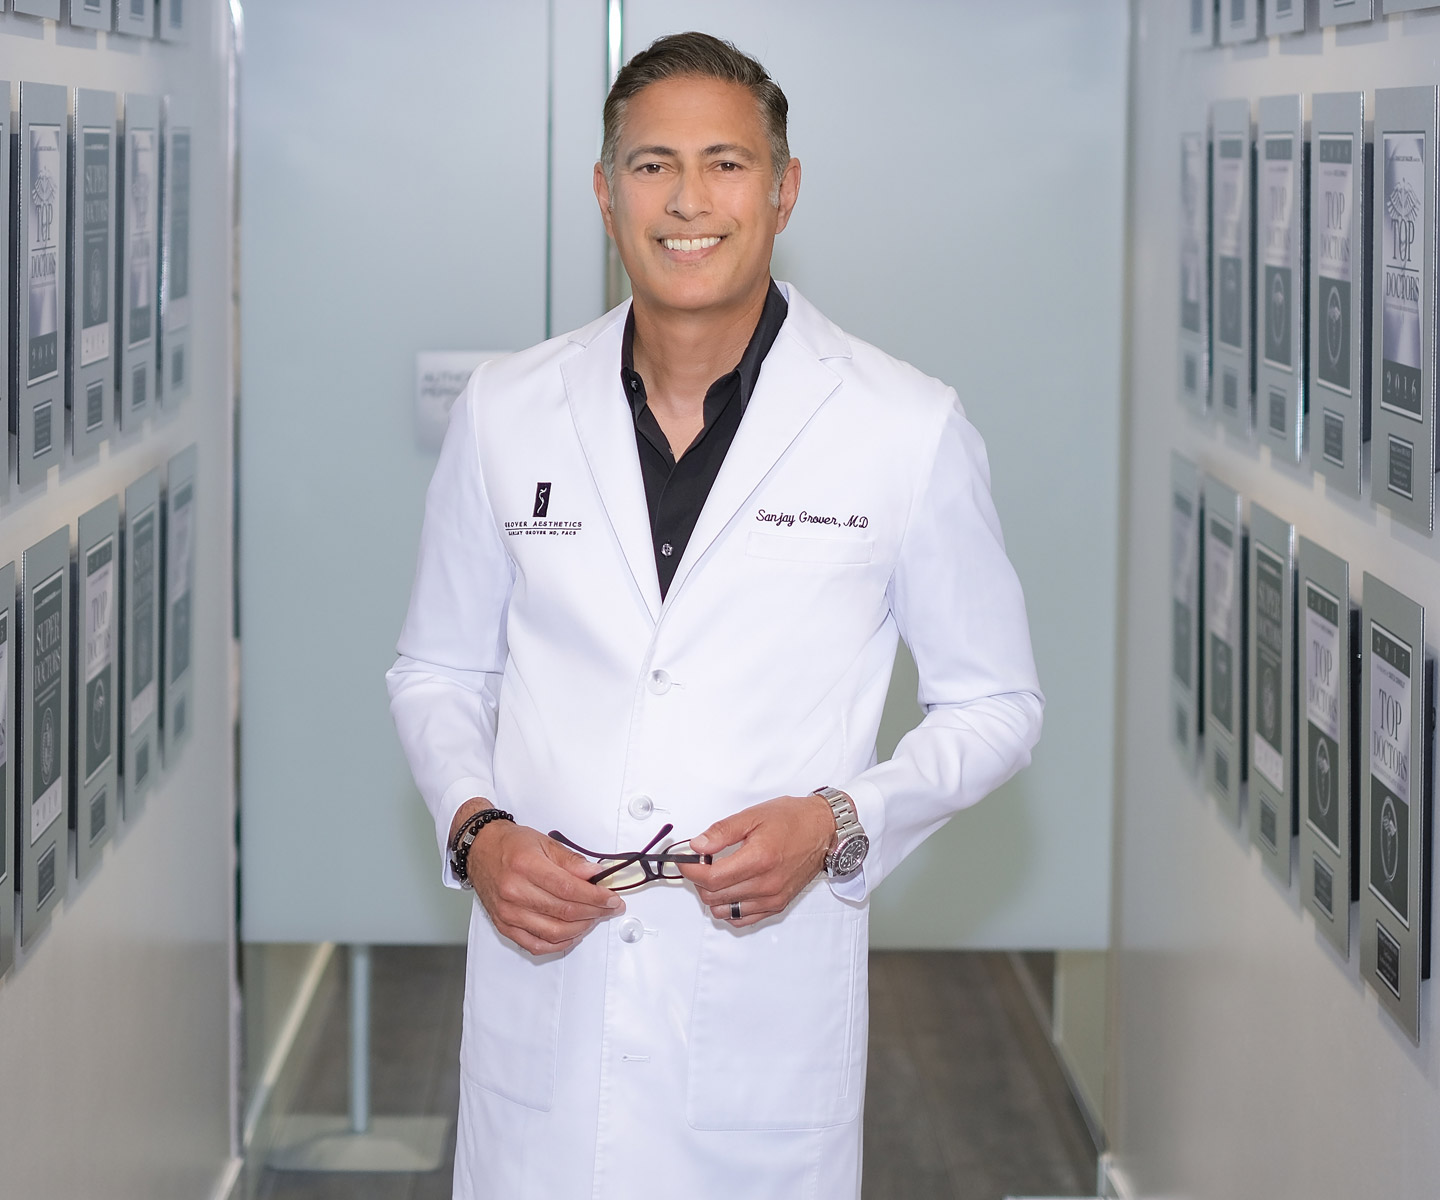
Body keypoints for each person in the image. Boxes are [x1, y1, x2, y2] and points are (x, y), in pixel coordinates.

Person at [387, 30, 1043, 1199]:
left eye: (726, 164)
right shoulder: (508, 412)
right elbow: (436, 670)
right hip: (549, 989)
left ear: (783, 190)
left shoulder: (905, 425)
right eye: (651, 166)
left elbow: (995, 705)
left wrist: (843, 819)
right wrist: (476, 831)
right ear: (603, 193)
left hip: (761, 1009)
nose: (688, 200)